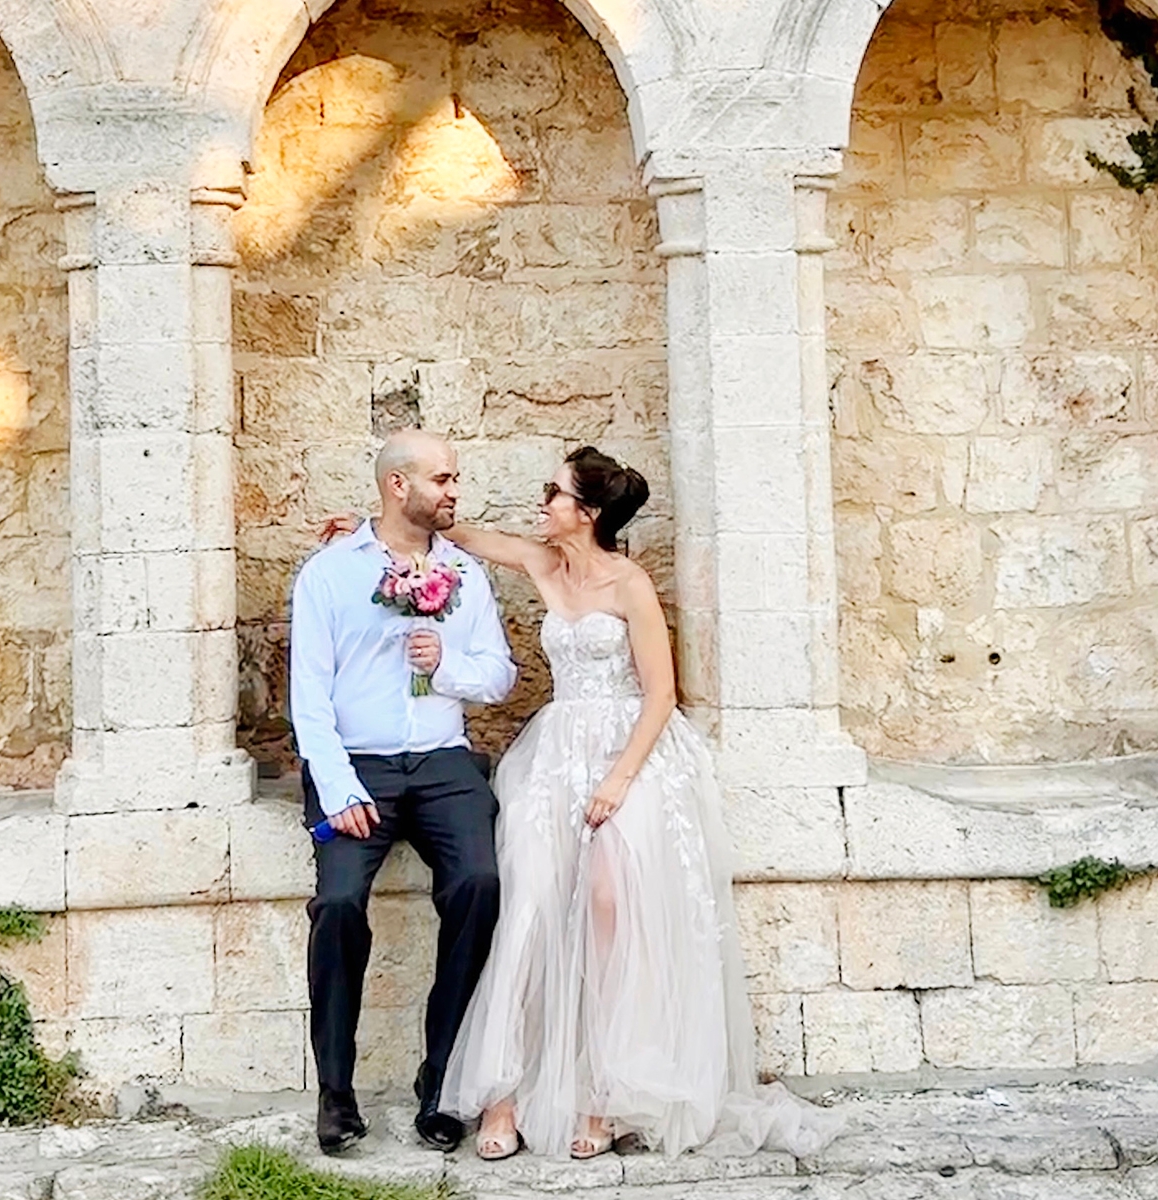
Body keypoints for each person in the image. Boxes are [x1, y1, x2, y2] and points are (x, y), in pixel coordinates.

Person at [324, 445, 844, 1161]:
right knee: (529, 898)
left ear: (588, 513)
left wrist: (619, 781)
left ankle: (601, 1093)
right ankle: (503, 1094)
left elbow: (662, 694)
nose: (544, 503)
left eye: (555, 493)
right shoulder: (543, 562)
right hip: (556, 750)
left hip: (629, 754)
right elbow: (455, 535)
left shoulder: (630, 584)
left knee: (606, 904)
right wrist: (364, 529)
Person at [288, 429, 519, 1155]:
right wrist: (337, 787)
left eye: (455, 479)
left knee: (480, 882)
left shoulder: (464, 574)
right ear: (399, 486)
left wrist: (445, 663)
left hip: (446, 764)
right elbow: (309, 697)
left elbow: (499, 675)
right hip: (359, 765)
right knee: (338, 904)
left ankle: (443, 1083)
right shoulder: (329, 573)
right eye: (443, 480)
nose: (454, 492)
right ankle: (335, 1093)